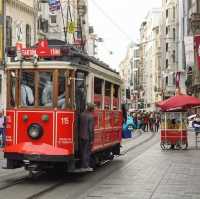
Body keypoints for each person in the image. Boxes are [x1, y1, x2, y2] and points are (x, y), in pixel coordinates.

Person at [79, 103, 95, 171]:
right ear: (91, 109)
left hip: (81, 136)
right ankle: (86, 166)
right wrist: (92, 139)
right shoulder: (91, 116)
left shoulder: (81, 115)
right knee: (87, 152)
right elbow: (90, 129)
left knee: (83, 151)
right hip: (87, 137)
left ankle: (83, 165)